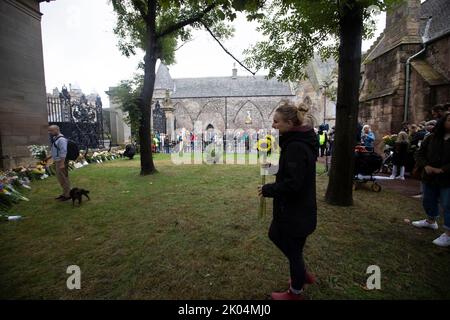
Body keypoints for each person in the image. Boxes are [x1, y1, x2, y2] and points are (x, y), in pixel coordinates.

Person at [258, 101, 318, 300]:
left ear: (290, 122)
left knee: (286, 243)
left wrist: (268, 189)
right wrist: (273, 168)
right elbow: (293, 171)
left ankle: (295, 292)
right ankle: (302, 274)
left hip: (295, 210)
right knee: (288, 243)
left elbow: (293, 184)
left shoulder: (296, 147)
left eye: (277, 122)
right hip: (298, 209)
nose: (274, 125)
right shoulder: (296, 142)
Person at [412, 112, 450, 247]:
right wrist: (426, 165)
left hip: (447, 178)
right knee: (428, 199)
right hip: (429, 176)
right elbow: (419, 153)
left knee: (447, 204)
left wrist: (443, 169)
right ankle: (430, 221)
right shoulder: (431, 138)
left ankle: (448, 234)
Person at [47, 125, 71, 201]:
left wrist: (62, 163)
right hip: (58, 161)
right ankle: (65, 193)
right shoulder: (56, 139)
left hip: (61, 161)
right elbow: (57, 150)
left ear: (57, 130)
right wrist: (49, 157)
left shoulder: (61, 140)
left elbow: (63, 151)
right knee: (60, 178)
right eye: (49, 131)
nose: (50, 132)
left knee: (64, 178)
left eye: (51, 131)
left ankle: (67, 195)